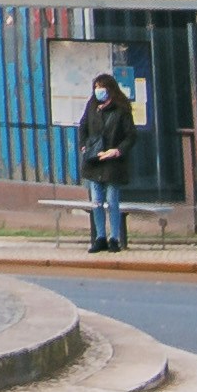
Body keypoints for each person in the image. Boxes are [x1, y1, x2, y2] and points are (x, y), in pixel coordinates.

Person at [76, 63, 139, 252]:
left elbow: (131, 135)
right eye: (95, 88)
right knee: (96, 201)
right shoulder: (92, 106)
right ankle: (100, 237)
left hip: (113, 163)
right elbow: (83, 126)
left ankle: (114, 238)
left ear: (110, 89)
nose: (98, 91)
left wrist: (117, 151)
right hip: (94, 162)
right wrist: (84, 145)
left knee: (112, 201)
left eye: (101, 88)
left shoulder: (121, 110)